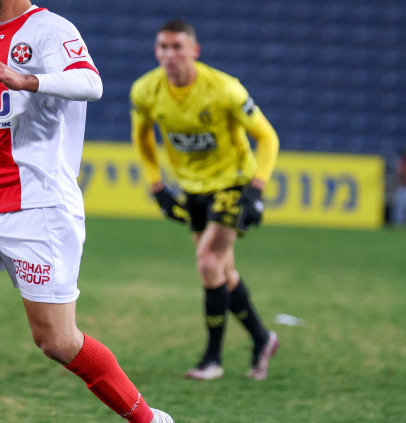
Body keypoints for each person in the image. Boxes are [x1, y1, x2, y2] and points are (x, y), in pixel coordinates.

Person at [0, 1, 174, 422]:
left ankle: (148, 420)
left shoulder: (50, 29)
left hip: (38, 208)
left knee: (57, 341)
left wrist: (25, 80)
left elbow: (91, 82)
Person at [130, 20, 280, 381]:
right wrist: (158, 188)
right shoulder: (145, 91)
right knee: (223, 273)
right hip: (192, 189)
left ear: (194, 51)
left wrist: (255, 191)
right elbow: (143, 138)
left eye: (177, 47)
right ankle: (262, 338)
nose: (169, 55)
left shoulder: (225, 89)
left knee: (209, 263)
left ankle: (212, 359)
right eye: (163, 47)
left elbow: (268, 137)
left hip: (232, 183)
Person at [393, 147, 406, 226]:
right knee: (399, 206)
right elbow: (400, 173)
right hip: (402, 187)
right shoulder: (401, 160)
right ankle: (398, 223)